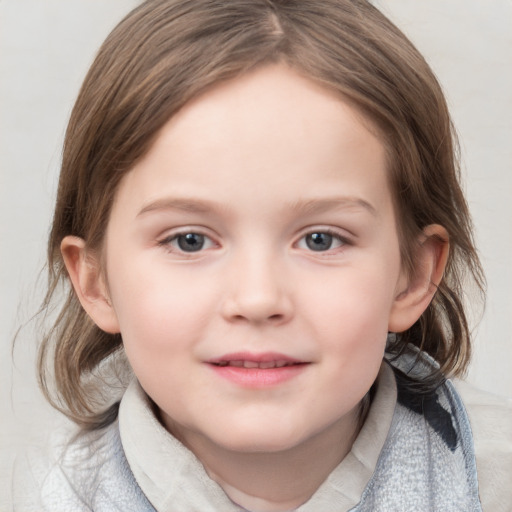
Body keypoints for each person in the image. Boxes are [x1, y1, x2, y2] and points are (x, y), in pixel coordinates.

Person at [14, 0, 511, 510]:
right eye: (190, 240)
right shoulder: (47, 497)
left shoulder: (494, 480)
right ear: (96, 282)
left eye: (321, 239)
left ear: (412, 274)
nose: (257, 298)